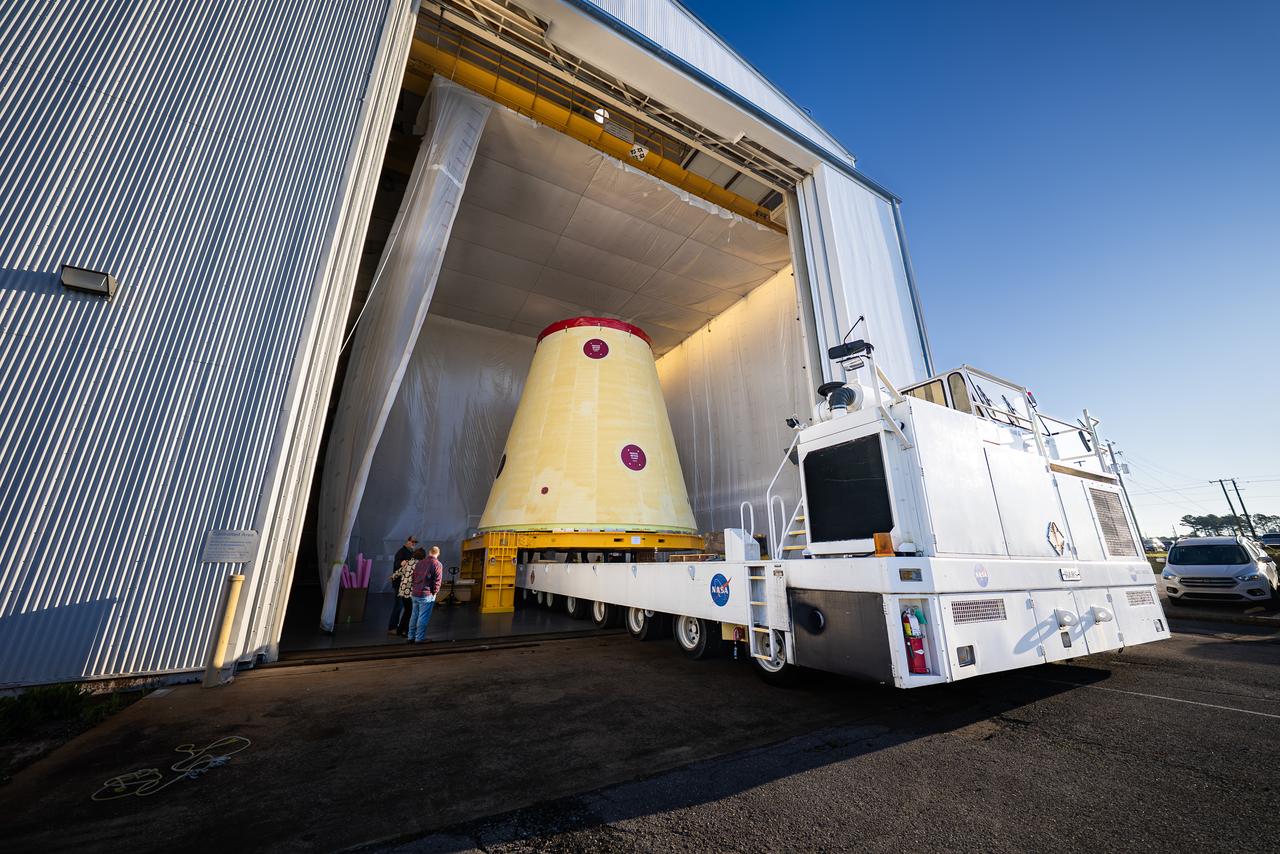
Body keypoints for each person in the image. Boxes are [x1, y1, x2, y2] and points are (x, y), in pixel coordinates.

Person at [408, 546, 444, 644]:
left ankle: (410, 637)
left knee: (414, 615)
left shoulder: (419, 563)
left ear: (429, 552)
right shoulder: (437, 564)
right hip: (426, 594)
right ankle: (419, 638)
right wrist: (435, 592)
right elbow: (437, 580)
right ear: (438, 553)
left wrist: (415, 587)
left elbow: (413, 577)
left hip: (415, 593)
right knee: (423, 616)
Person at [386, 536, 418, 636]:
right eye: (412, 542)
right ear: (407, 541)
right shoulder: (401, 552)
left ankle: (401, 628)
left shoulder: (410, 552)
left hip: (405, 586)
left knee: (406, 608)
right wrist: (402, 564)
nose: (414, 544)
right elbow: (398, 566)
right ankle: (392, 627)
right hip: (400, 585)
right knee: (399, 606)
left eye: (415, 542)